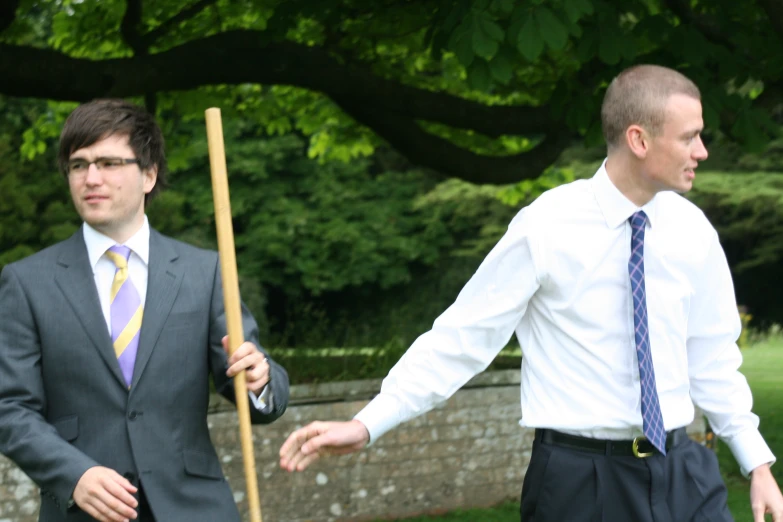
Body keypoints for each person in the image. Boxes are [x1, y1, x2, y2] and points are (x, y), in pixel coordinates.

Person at [279, 65, 783, 521]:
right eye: (690, 137)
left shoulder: (693, 229)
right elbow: (462, 338)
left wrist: (757, 463)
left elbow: (712, 356)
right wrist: (368, 423)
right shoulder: (546, 225)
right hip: (580, 484)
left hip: (684, 473)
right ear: (639, 139)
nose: (702, 152)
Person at [0, 99, 290, 522]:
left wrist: (259, 379)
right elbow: (9, 407)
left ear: (149, 174)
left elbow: (255, 383)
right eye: (78, 165)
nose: (91, 178)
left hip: (195, 508)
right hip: (84, 512)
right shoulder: (26, 282)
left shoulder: (203, 271)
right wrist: (74, 474)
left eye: (109, 163)